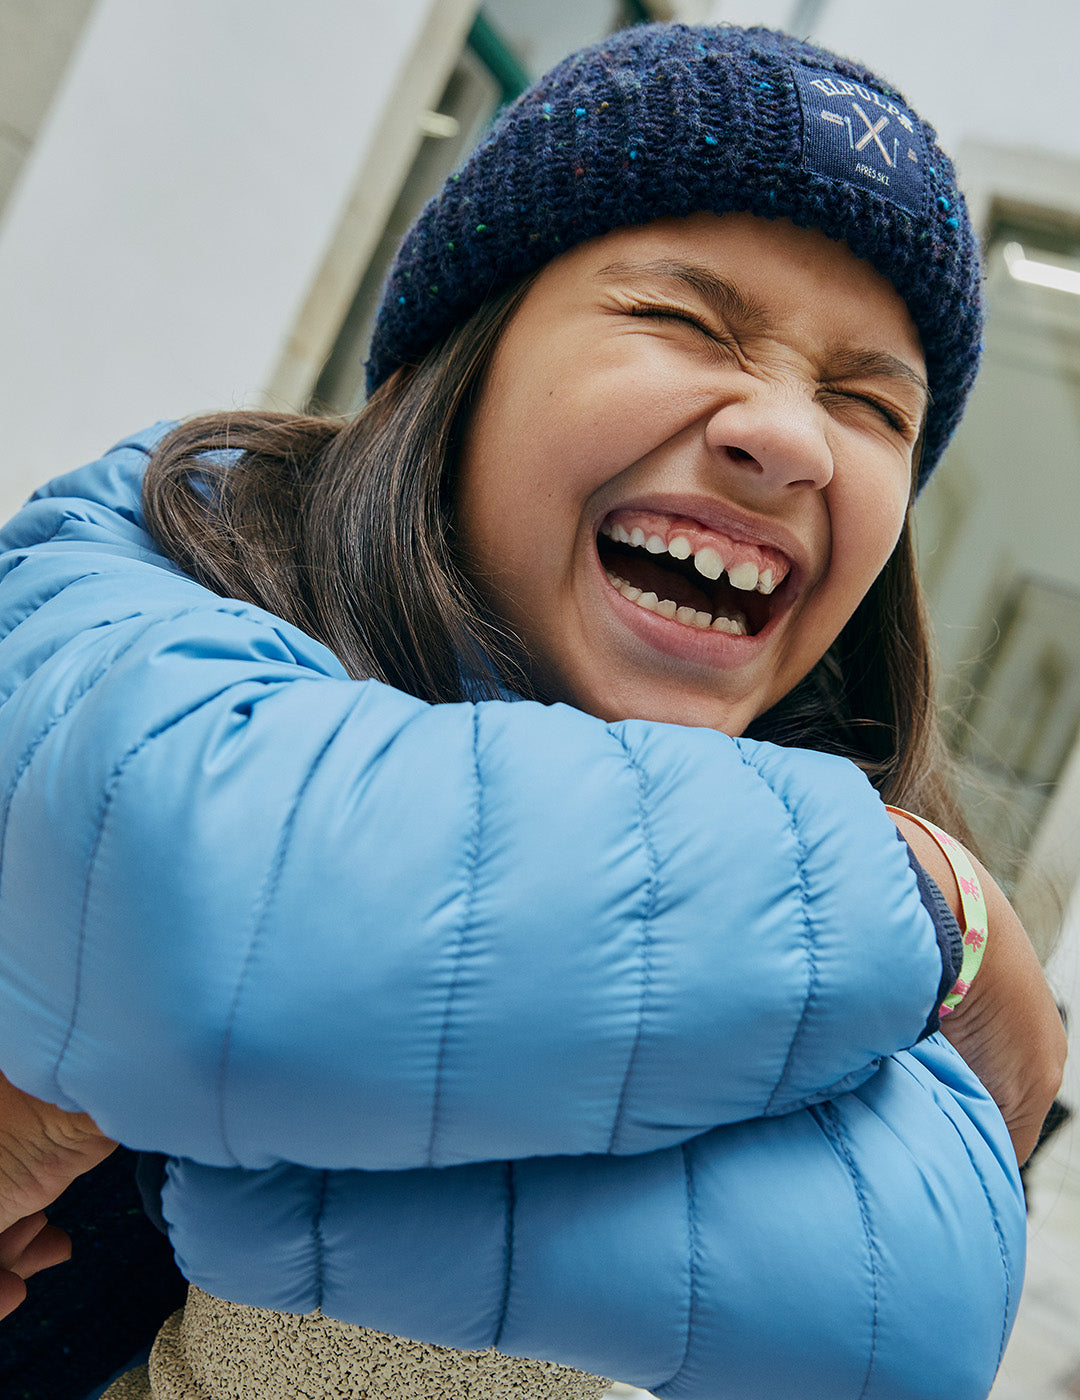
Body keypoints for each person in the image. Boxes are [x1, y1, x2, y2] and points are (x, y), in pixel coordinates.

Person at [0, 20, 1066, 1400]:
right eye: (684, 319)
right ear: (459, 360)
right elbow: (227, 897)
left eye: (872, 405)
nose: (789, 436)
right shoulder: (141, 553)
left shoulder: (823, 838)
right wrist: (936, 907)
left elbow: (915, 1300)